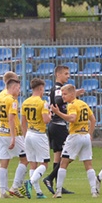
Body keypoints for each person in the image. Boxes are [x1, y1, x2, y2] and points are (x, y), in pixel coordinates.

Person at [49, 84, 98, 198]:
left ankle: (59, 191)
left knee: (63, 163)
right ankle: (94, 191)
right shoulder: (84, 104)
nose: (63, 97)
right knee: (88, 164)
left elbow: (72, 118)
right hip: (85, 136)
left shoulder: (72, 105)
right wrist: (90, 134)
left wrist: (58, 113)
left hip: (75, 136)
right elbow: (93, 119)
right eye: (62, 94)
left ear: (72, 94)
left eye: (65, 94)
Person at [42, 65, 81, 195]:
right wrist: (72, 96)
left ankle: (58, 184)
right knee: (68, 154)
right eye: (65, 73)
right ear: (58, 75)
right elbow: (58, 100)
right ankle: (50, 178)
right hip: (58, 125)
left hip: (54, 125)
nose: (68, 76)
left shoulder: (54, 89)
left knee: (58, 155)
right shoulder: (58, 89)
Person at [0, 77, 30, 199]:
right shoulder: (13, 101)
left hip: (1, 132)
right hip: (12, 133)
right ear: (13, 87)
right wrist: (13, 138)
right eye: (19, 88)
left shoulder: (1, 96)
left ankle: (2, 191)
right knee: (25, 159)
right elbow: (11, 118)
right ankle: (15, 187)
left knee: (4, 162)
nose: (20, 90)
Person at [20, 78, 52, 199]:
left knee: (33, 164)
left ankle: (38, 192)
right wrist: (49, 113)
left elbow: (23, 122)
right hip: (39, 134)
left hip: (29, 134)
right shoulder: (42, 103)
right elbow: (46, 120)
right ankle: (30, 182)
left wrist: (25, 136)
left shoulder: (25, 102)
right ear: (40, 89)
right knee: (44, 163)